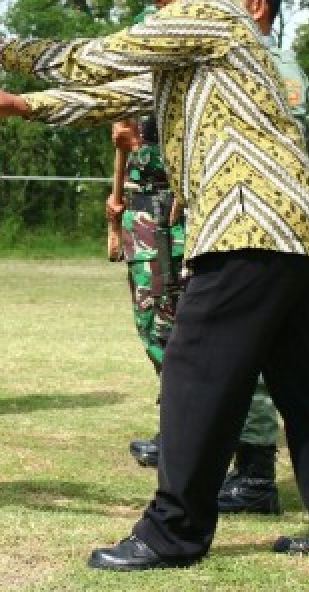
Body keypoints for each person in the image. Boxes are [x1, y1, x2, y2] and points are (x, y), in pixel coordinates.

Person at [0, 0, 309, 568]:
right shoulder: (208, 41)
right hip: (300, 236)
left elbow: (105, 55)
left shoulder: (208, 16)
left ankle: (172, 532)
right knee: (307, 389)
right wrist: (18, 103)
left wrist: (1, 47)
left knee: (194, 372)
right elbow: (121, 89)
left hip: (251, 227)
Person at [208, 0, 309, 515]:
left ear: (255, 5)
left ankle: (255, 479)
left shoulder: (272, 66)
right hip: (263, 226)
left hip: (264, 227)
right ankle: (246, 469)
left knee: (255, 357)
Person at [107, 117, 184, 468]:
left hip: (174, 221)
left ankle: (184, 430)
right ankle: (178, 423)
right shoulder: (133, 87)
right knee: (150, 324)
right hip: (142, 223)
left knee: (171, 328)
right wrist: (115, 204)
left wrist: (139, 147)